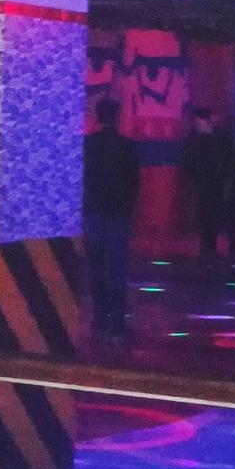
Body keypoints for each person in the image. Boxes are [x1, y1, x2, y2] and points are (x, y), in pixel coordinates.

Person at [81, 96, 141, 342]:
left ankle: (99, 318)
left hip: (93, 212)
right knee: (116, 267)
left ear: (97, 116)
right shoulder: (126, 147)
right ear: (116, 118)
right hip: (118, 214)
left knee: (96, 266)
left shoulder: (87, 145)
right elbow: (134, 182)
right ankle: (117, 323)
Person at [178, 107, 235, 268]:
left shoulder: (221, 138)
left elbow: (233, 161)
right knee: (210, 220)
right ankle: (211, 253)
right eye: (197, 124)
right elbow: (189, 165)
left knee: (227, 219)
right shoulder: (196, 140)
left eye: (201, 123)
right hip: (209, 187)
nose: (199, 127)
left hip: (222, 186)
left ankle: (232, 252)